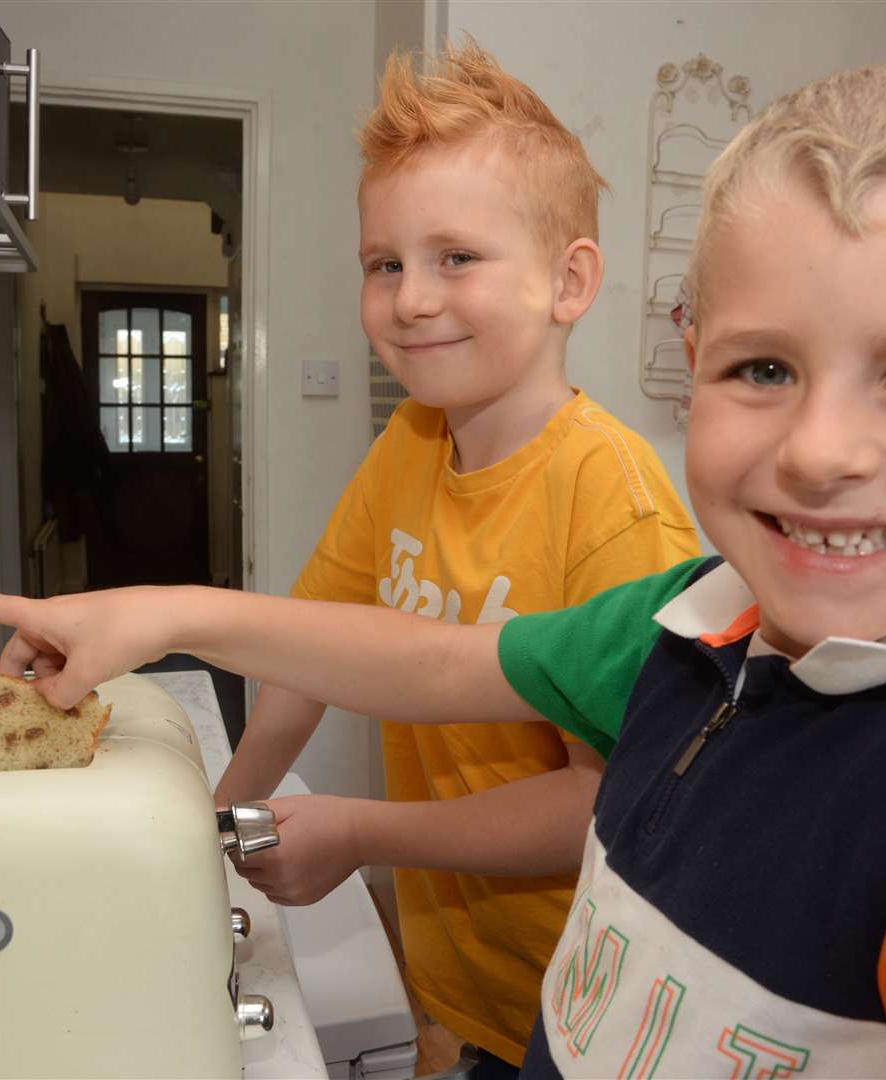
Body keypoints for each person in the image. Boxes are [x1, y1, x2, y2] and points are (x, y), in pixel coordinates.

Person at [0, 59, 886, 1078]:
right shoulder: (698, 620)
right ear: (695, 355)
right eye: (762, 369)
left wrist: (360, 828)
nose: (822, 453)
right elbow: (429, 661)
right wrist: (159, 623)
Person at [245, 38, 700, 1075]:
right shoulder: (405, 444)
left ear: (567, 281)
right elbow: (305, 652)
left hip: (586, 1001)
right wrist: (217, 822)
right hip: (459, 972)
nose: (410, 298)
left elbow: (607, 799)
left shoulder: (612, 503)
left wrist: (360, 833)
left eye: (455, 257)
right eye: (384, 263)